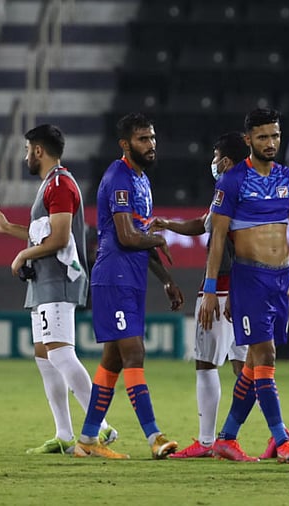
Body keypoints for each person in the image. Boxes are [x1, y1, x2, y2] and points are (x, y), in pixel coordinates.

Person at [0, 124, 117, 454]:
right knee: (45, 356)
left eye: (27, 150)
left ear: (38, 150)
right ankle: (64, 434)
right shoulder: (51, 185)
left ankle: (101, 428)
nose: (26, 156)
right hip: (43, 281)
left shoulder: (59, 184)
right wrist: (9, 229)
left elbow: (59, 238)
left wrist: (23, 254)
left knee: (59, 352)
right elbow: (44, 233)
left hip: (59, 279)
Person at [72, 113, 184, 459]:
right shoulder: (119, 178)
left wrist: (166, 281)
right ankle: (154, 436)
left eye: (152, 138)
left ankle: (88, 441)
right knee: (134, 352)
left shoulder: (141, 180)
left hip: (131, 278)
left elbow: (141, 238)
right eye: (142, 140)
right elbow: (127, 236)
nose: (150, 145)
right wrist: (156, 240)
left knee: (113, 361)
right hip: (114, 276)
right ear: (125, 144)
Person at [198, 108, 289, 463]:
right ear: (248, 141)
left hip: (280, 279)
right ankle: (282, 438)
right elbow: (217, 239)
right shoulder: (232, 181)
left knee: (252, 364)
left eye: (274, 136)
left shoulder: (288, 178)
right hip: (249, 279)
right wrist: (212, 289)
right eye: (263, 137)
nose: (271, 143)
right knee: (266, 357)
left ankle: (226, 438)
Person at [149, 132, 251, 459]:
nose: (213, 161)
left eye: (215, 154)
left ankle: (207, 443)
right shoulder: (251, 185)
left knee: (206, 364)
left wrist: (214, 291)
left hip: (221, 289)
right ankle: (281, 435)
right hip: (248, 290)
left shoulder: (228, 187)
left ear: (226, 160)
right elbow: (204, 224)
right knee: (247, 366)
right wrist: (167, 223)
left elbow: (228, 244)